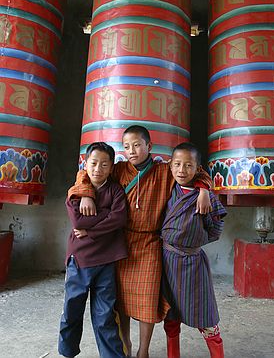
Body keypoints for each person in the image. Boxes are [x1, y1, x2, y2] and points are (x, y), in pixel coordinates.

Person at [68, 125, 212, 358]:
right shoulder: (117, 169)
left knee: (148, 301)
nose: (132, 151)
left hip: (150, 244)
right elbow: (87, 173)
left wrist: (204, 190)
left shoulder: (164, 171)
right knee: (120, 301)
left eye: (137, 145)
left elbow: (196, 170)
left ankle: (143, 352)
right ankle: (125, 345)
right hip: (119, 242)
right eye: (126, 147)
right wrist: (85, 192)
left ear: (149, 146)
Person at [58, 142, 128, 358]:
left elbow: (119, 219)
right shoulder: (77, 191)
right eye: (94, 163)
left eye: (104, 164)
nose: (98, 169)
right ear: (85, 164)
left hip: (106, 260)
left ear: (111, 167)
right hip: (80, 259)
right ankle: (67, 352)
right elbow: (77, 220)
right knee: (72, 309)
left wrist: (91, 231)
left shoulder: (115, 190)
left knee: (105, 314)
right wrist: (103, 215)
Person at [161, 142, 227, 358]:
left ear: (198, 169)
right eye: (177, 164)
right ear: (170, 166)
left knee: (205, 314)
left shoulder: (205, 196)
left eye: (188, 165)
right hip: (168, 261)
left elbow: (215, 228)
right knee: (171, 315)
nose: (182, 170)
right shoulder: (167, 189)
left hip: (193, 263)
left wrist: (193, 240)